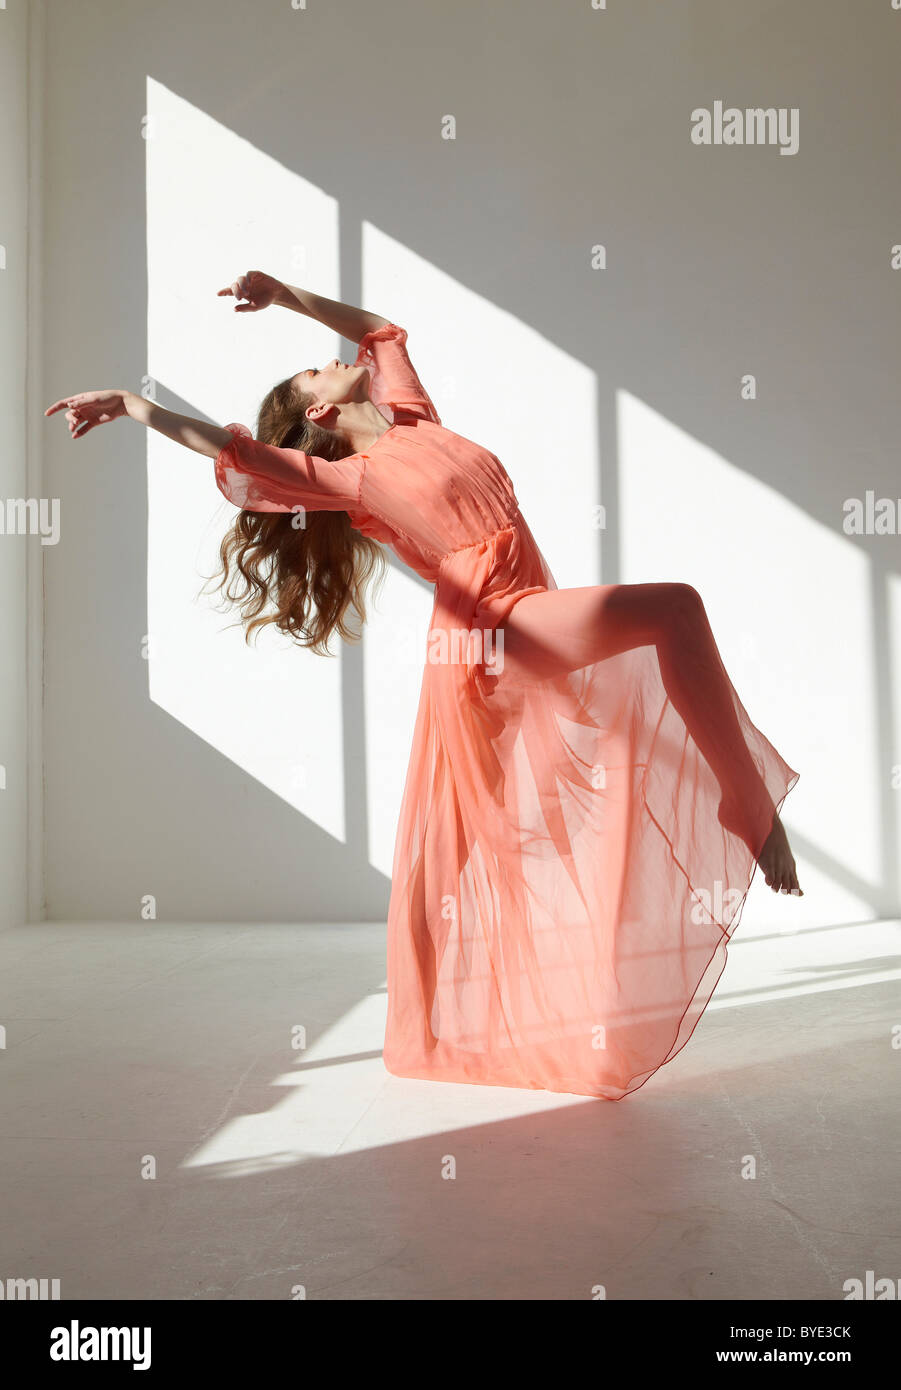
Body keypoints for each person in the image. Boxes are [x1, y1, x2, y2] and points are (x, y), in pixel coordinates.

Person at [46, 272, 801, 1100]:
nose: (327, 362)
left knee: (451, 845)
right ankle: (740, 800)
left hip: (525, 607)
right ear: (321, 415)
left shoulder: (414, 421)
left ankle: (418, 1023)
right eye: (311, 373)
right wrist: (130, 403)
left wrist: (283, 293)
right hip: (494, 626)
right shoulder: (349, 481)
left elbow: (381, 330)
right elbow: (233, 451)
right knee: (671, 612)